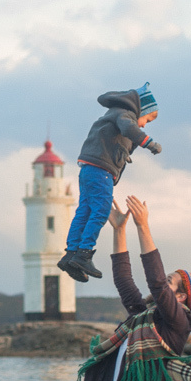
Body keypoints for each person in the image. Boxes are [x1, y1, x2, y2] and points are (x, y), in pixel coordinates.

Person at [78, 196, 191, 381]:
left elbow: (156, 283)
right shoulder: (145, 317)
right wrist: (119, 230)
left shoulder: (178, 322)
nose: (163, 287)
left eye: (170, 282)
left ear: (181, 296)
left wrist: (143, 226)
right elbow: (124, 281)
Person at [58, 83, 161, 282]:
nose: (144, 125)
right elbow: (130, 128)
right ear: (141, 110)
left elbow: (124, 140)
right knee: (101, 210)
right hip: (101, 170)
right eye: (147, 119)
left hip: (88, 168)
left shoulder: (112, 116)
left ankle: (70, 254)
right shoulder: (125, 115)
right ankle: (83, 254)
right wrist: (149, 143)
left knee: (85, 210)